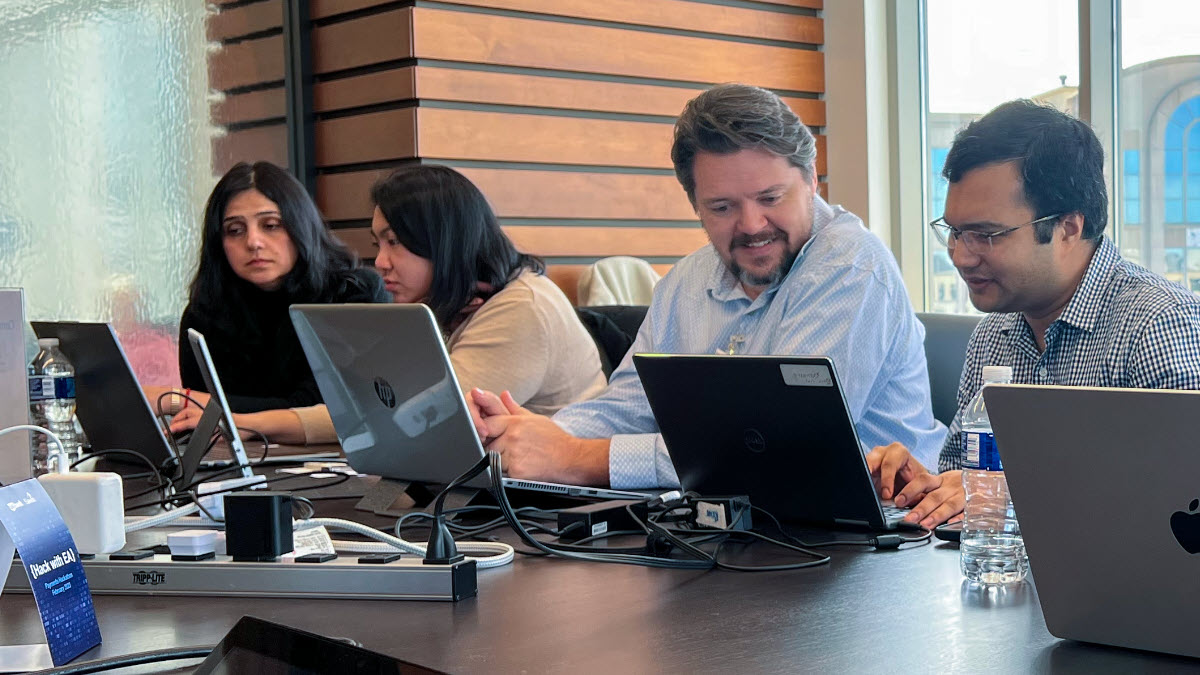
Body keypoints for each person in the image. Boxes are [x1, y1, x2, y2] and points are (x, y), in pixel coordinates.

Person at [472, 83, 946, 488]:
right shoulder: (686, 281)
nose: (752, 225)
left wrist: (576, 459)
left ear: (811, 181)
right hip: (740, 529)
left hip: (876, 541)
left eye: (769, 198)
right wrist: (526, 436)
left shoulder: (851, 267)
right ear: (695, 204)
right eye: (722, 207)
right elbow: (631, 406)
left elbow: (770, 444)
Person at [868, 99, 1200, 528]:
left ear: (1068, 227)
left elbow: (1182, 503)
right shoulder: (994, 334)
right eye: (954, 231)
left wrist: (1010, 494)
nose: (961, 256)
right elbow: (964, 478)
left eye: (986, 235)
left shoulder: (1158, 324)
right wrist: (924, 486)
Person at [171, 165, 606, 444]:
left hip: (553, 509)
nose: (379, 262)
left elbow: (411, 423)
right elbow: (372, 408)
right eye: (378, 243)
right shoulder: (445, 307)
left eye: (394, 243)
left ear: (440, 242)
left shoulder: (521, 308)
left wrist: (244, 422)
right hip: (487, 488)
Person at [148, 161, 388, 415]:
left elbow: (324, 409)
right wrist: (191, 404)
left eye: (271, 225)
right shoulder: (204, 314)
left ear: (300, 225)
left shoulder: (353, 294)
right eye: (235, 230)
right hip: (236, 455)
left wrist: (182, 401)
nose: (253, 242)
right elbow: (200, 422)